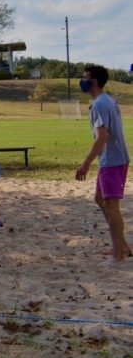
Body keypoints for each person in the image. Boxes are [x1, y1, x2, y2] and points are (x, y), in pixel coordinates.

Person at [75, 64, 131, 263]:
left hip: (112, 161)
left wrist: (85, 164)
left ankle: (119, 254)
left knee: (111, 205)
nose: (82, 80)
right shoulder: (106, 100)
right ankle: (122, 245)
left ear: (94, 81)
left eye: (84, 77)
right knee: (100, 199)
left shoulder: (100, 104)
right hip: (112, 159)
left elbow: (101, 138)